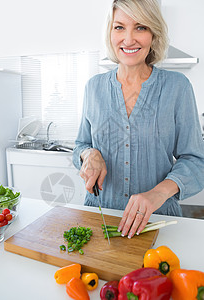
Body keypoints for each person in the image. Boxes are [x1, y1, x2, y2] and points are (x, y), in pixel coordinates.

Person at [73, 0, 204, 239]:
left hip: (157, 221)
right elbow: (80, 145)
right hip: (100, 219)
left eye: (141, 27)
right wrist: (89, 154)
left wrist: (158, 193)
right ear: (110, 33)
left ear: (154, 34)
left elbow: (196, 160)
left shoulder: (177, 87)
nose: (129, 39)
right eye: (119, 27)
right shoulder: (94, 88)